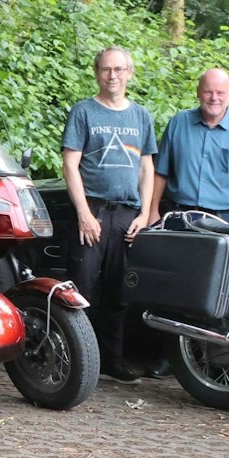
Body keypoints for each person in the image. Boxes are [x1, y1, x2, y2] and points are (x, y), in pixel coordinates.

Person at [61, 46, 157, 382]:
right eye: (105, 69)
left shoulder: (141, 116)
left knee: (119, 292)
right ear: (96, 72)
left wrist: (145, 214)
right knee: (82, 290)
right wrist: (84, 213)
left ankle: (111, 362)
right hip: (94, 212)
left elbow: (147, 168)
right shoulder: (83, 112)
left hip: (128, 216)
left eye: (119, 69)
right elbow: (70, 165)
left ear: (130, 72)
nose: (112, 76)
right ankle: (76, 361)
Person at [152, 68, 229, 225]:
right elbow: (160, 172)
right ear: (198, 92)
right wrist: (152, 211)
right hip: (180, 216)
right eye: (208, 92)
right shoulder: (178, 123)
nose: (214, 98)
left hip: (227, 220)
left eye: (221, 93)